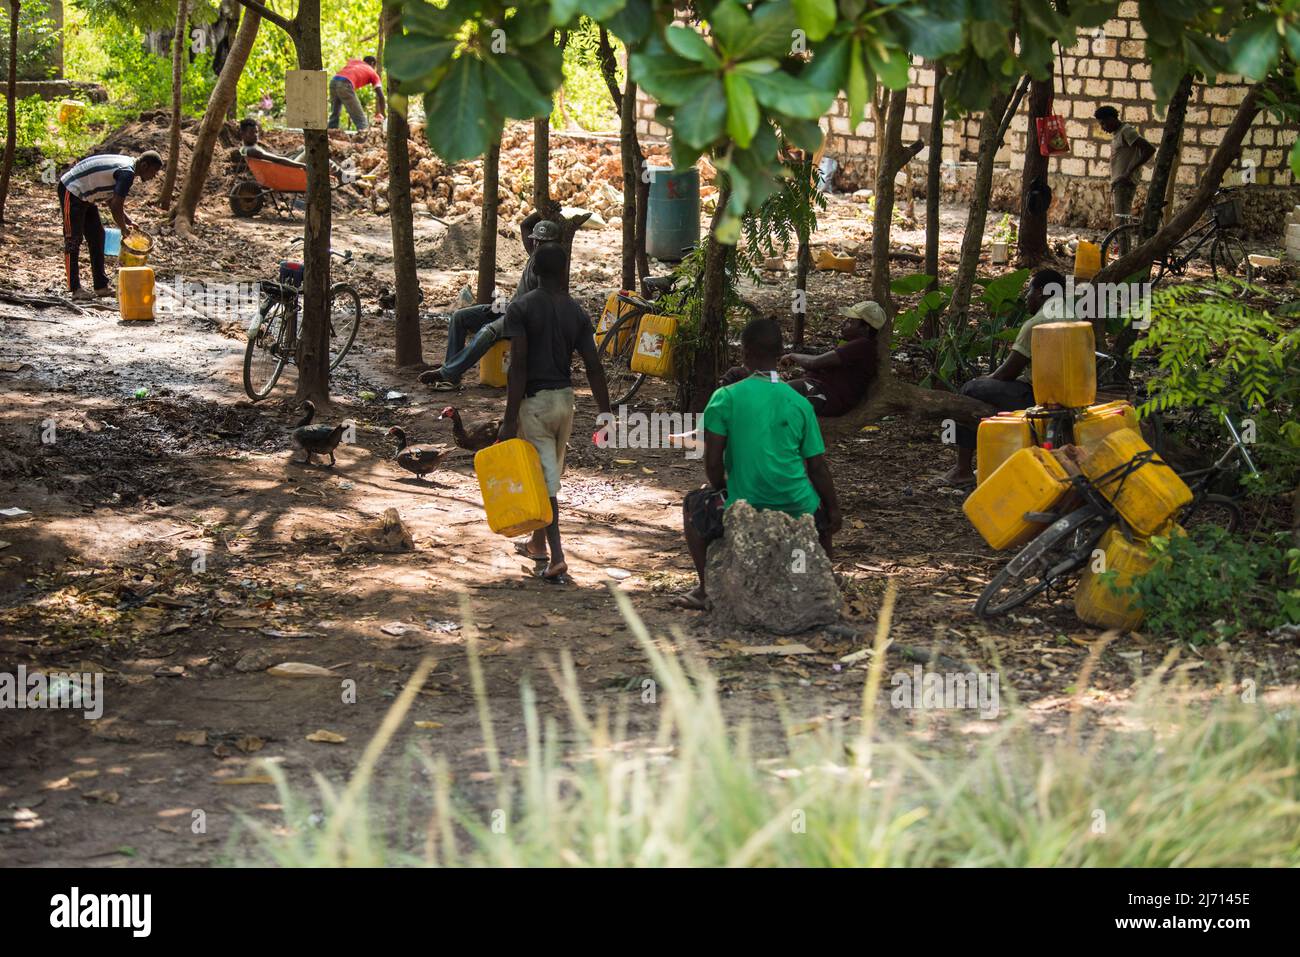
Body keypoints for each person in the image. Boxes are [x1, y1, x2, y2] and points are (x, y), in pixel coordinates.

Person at [676, 318, 842, 611]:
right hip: (798, 506)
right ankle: (825, 579)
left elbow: (712, 463)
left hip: (746, 502)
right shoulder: (799, 401)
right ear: (780, 353)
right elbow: (817, 468)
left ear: (745, 353)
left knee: (693, 505)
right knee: (818, 511)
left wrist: (723, 486)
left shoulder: (725, 397)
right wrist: (834, 509)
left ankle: (705, 591)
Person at [497, 242, 611, 584]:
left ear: (533, 271)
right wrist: (605, 414)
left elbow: (517, 367)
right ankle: (537, 544)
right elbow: (594, 367)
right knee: (547, 472)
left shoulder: (521, 308)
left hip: (535, 405)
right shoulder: (577, 312)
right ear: (564, 272)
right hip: (565, 402)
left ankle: (558, 557)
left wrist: (508, 417)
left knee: (545, 481)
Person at [935, 268, 1072, 487]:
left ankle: (962, 469)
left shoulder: (1038, 322)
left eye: (1029, 291)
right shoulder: (1072, 315)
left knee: (970, 389)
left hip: (1038, 397)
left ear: (1040, 293)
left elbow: (1007, 373)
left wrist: (983, 380)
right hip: (1071, 393)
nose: (1026, 298)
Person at [419, 215, 562, 390]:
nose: (538, 245)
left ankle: (447, 373)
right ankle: (452, 377)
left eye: (543, 242)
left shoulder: (549, 268)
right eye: (536, 241)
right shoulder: (534, 253)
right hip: (510, 308)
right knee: (459, 317)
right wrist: (545, 210)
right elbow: (525, 225)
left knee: (488, 331)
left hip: (524, 317)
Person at [58, 150, 164, 301]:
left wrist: (128, 221)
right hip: (72, 189)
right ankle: (75, 288)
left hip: (88, 196)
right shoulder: (127, 173)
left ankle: (100, 286)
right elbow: (115, 205)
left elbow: (111, 198)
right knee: (73, 239)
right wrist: (123, 228)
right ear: (145, 165)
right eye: (153, 171)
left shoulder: (129, 166)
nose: (154, 176)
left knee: (97, 236)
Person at [778, 300, 885, 415]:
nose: (844, 323)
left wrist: (792, 356)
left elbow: (813, 363)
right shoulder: (857, 345)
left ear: (865, 329)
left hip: (828, 397)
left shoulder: (863, 345)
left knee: (781, 392)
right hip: (823, 392)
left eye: (850, 322)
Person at [1093, 105, 1154, 244]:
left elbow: (1149, 149)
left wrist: (1127, 173)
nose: (1103, 127)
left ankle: (1124, 257)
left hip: (1125, 182)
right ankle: (1124, 255)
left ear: (1112, 119)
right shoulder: (1118, 134)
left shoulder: (1127, 131)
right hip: (1119, 182)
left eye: (1103, 123)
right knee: (1120, 221)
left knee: (1122, 223)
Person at [329, 55, 385, 131]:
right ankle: (364, 139)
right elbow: (381, 96)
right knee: (361, 120)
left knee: (334, 115)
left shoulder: (354, 62)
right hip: (345, 84)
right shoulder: (373, 72)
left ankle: (330, 134)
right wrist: (383, 113)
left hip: (333, 81)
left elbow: (349, 62)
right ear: (372, 63)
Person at [237, 118, 305, 168]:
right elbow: (279, 160)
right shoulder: (253, 151)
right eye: (251, 132)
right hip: (286, 171)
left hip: (284, 167)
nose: (255, 135)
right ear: (242, 134)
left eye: (256, 132)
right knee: (307, 151)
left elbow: (277, 158)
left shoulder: (246, 148)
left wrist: (288, 155)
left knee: (302, 149)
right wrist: (304, 166)